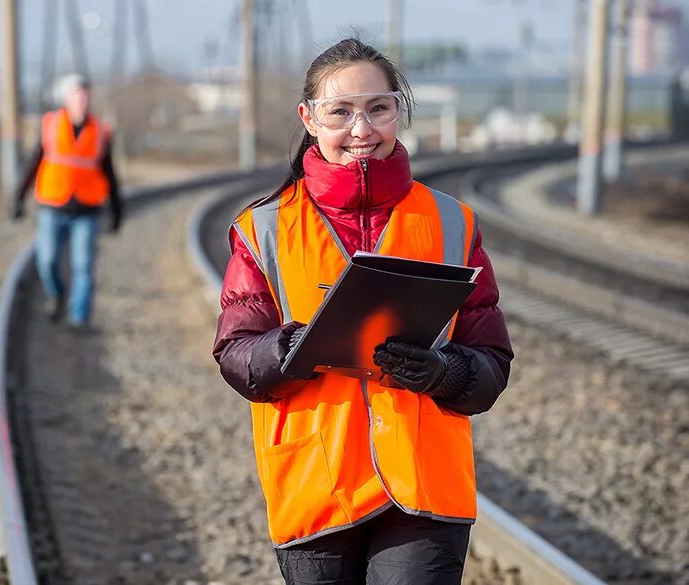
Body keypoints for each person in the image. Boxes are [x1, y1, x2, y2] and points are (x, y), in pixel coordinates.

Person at [213, 38, 513, 585]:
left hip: (425, 486)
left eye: (378, 109)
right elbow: (236, 354)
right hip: (315, 483)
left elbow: (492, 359)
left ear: (397, 109)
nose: (361, 129)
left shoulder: (453, 223)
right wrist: (291, 349)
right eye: (340, 112)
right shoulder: (264, 229)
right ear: (309, 118)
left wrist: (447, 372)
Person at [12, 73, 123, 328]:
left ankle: (78, 318)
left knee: (83, 265)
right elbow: (33, 163)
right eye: (77, 94)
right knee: (47, 260)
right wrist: (18, 198)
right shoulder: (51, 125)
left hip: (87, 209)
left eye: (85, 94)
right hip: (53, 205)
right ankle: (56, 294)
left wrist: (117, 210)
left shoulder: (99, 132)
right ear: (66, 99)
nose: (83, 99)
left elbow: (110, 173)